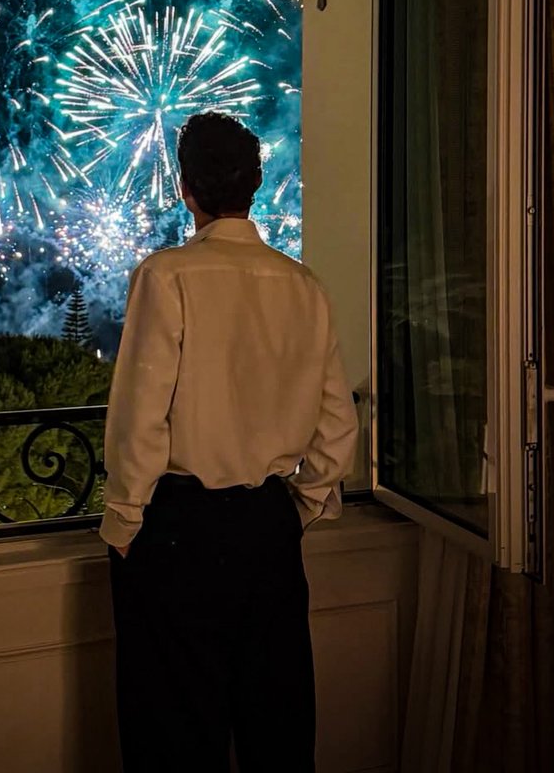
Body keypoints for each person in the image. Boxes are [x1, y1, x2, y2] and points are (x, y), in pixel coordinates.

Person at [100, 111, 358, 773]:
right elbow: (336, 430)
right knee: (277, 723)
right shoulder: (304, 287)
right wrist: (294, 507)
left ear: (186, 188)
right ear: (257, 184)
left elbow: (140, 418)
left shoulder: (167, 277)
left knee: (176, 734)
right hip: (267, 527)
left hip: (180, 529)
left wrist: (126, 519)